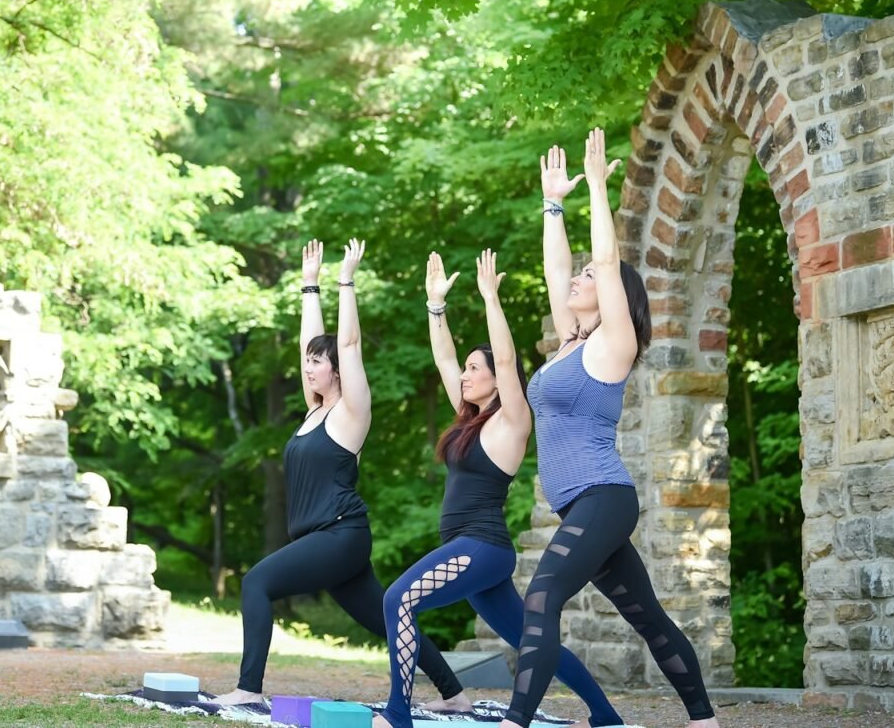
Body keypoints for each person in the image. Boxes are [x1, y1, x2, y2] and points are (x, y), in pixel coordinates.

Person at [500, 130, 719, 728]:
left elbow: (604, 260)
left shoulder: (613, 345)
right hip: (582, 504)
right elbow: (558, 265)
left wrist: (598, 186)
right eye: (576, 278)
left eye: (588, 278)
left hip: (603, 496)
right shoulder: (570, 343)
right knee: (647, 617)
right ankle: (705, 720)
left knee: (541, 597)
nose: (576, 279)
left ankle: (514, 722)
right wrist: (552, 204)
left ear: (616, 293)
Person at [211, 239, 470, 711]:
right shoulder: (313, 412)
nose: (308, 368)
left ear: (337, 371)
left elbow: (347, 344)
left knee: (257, 583)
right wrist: (309, 285)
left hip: (339, 535)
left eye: (317, 363)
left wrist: (344, 281)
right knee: (388, 619)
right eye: (307, 362)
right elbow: (310, 343)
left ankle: (249, 688)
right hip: (328, 540)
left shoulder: (351, 413)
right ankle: (455, 695)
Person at [372, 249, 625, 728]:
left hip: (482, 547)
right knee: (532, 640)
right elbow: (443, 356)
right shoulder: (468, 420)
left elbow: (506, 359)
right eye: (465, 370)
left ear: (494, 380)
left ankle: (397, 714)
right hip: (470, 551)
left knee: (397, 599)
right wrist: (435, 306)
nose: (465, 375)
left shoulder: (512, 420)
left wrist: (491, 298)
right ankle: (605, 716)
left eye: (475, 369)